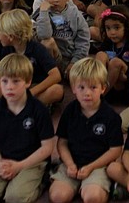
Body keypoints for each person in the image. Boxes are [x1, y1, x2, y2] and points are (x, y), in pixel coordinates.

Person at [0, 54, 56, 203]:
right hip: (3, 160)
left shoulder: (38, 110)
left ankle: (42, 181)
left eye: (16, 81)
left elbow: (47, 147)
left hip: (31, 162)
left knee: (15, 198)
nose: (9, 87)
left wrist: (19, 166)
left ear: (28, 82)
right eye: (4, 81)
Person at [48, 58, 123, 203]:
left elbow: (115, 150)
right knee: (58, 196)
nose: (87, 93)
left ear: (103, 88)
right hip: (72, 163)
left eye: (93, 87)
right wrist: (69, 164)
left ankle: (105, 185)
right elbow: (62, 143)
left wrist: (91, 167)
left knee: (92, 197)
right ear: (73, 89)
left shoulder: (110, 116)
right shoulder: (70, 111)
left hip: (98, 166)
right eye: (81, 87)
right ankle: (65, 178)